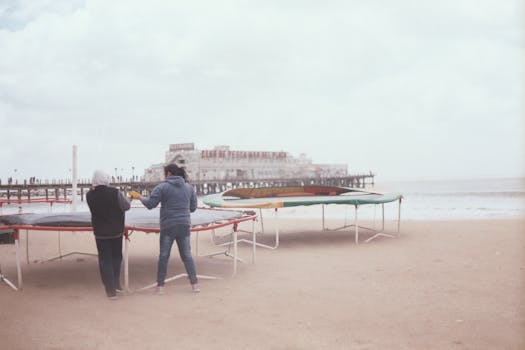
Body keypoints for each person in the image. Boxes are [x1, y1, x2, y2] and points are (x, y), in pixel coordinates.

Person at [129, 163, 199, 294]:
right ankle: (195, 285)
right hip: (184, 225)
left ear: (168, 174)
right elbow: (193, 208)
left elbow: (151, 204)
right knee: (187, 256)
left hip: (168, 226)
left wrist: (139, 197)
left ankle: (160, 287)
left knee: (164, 256)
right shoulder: (189, 188)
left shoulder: (162, 187)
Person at [86, 170, 130, 299]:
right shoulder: (115, 192)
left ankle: (110, 290)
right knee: (116, 258)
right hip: (116, 231)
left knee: (105, 260)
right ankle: (116, 284)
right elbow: (126, 206)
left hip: (100, 232)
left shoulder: (89, 195)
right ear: (106, 179)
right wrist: (129, 198)